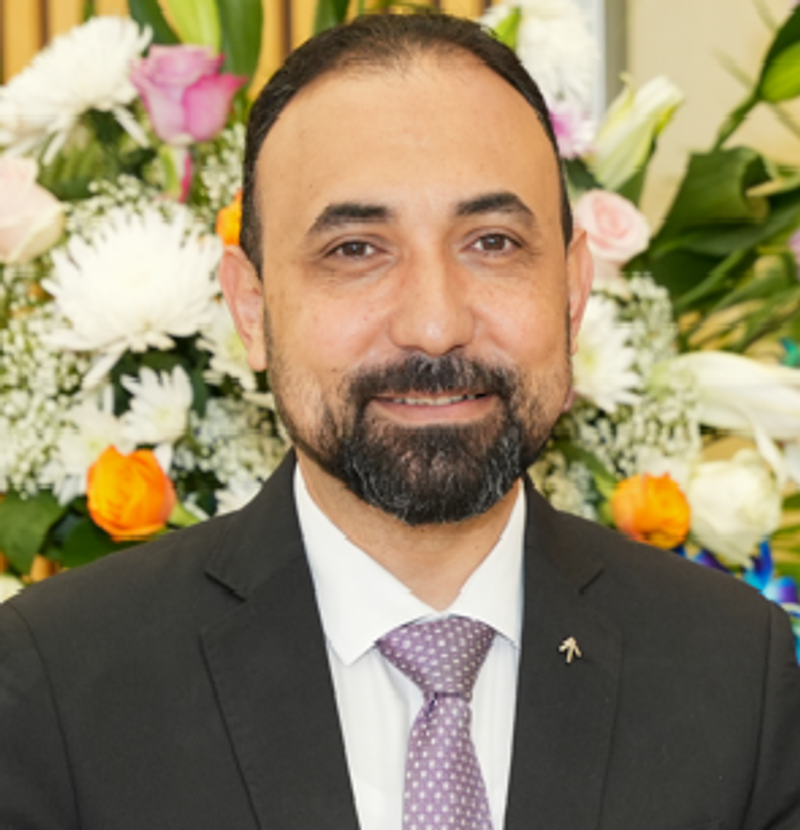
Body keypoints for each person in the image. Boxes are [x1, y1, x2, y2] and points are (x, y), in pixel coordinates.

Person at [1, 12, 798, 830]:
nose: (435, 323)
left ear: (572, 291)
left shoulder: (737, 672)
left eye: (492, 242)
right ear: (250, 309)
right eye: (356, 249)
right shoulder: (56, 683)